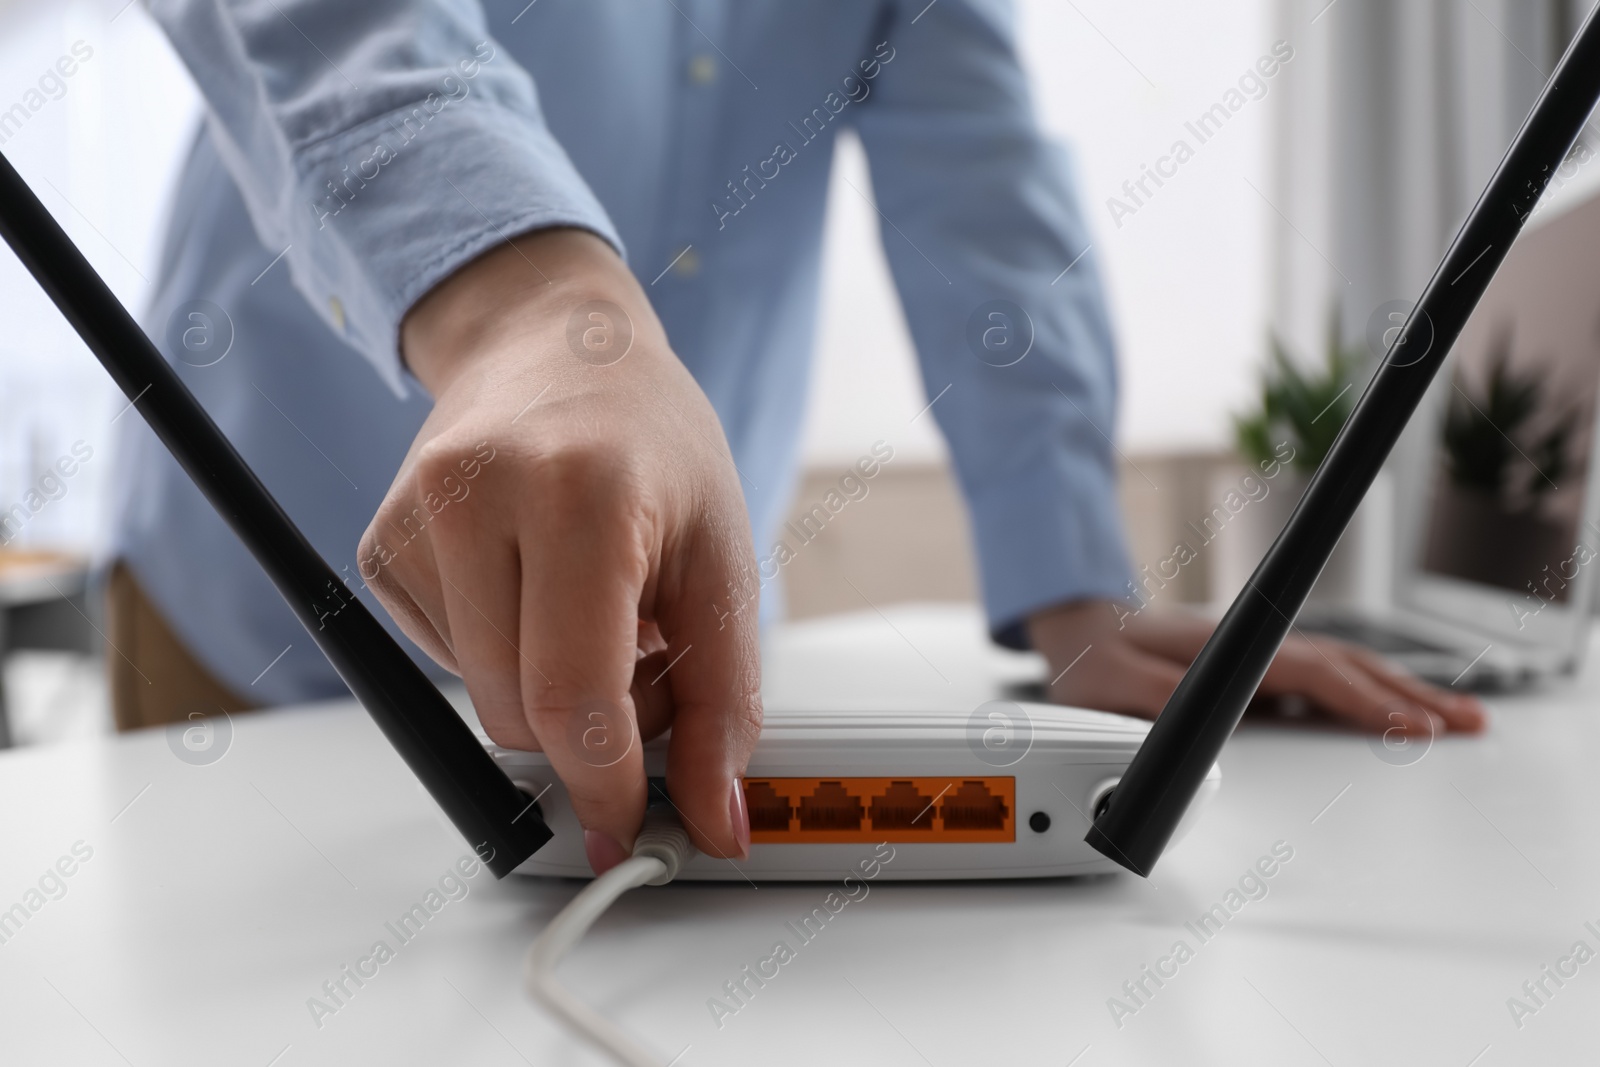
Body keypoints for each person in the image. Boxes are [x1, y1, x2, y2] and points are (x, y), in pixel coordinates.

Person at [113, 0, 1482, 876]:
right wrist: (533, 310)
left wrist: (1072, 586)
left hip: (653, 644)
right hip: (255, 582)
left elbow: (981, 189)